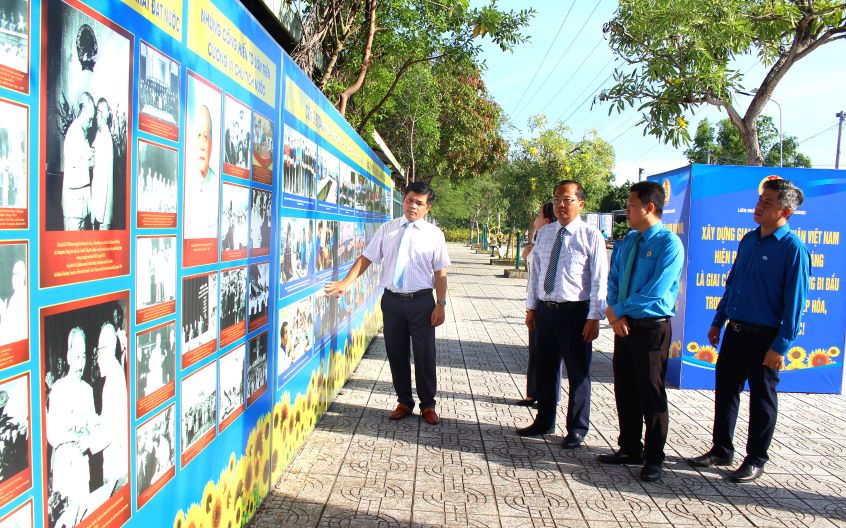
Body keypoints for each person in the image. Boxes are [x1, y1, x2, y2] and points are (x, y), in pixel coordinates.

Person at [687, 178, 810, 483]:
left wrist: (780, 345)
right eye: (760, 200)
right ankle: (721, 448)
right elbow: (733, 284)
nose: (759, 206)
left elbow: (795, 303)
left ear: (786, 212)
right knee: (726, 391)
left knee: (762, 399)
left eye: (767, 203)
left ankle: (755, 458)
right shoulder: (749, 240)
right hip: (735, 331)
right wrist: (718, 320)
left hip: (765, 337)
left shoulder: (793, 249)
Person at [325, 181, 450, 425]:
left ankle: (428, 405)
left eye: (419, 203)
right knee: (396, 353)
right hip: (392, 302)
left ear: (428, 208)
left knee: (425, 354)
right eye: (409, 200)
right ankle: (404, 401)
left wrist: (441, 304)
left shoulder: (435, 235)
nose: (412, 206)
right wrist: (345, 282)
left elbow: (440, 273)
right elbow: (367, 258)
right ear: (404, 200)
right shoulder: (387, 229)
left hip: (422, 302)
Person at [598, 180, 683, 482]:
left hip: (650, 327)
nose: (628, 211)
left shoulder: (669, 244)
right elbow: (615, 277)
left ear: (649, 207)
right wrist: (614, 310)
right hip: (624, 325)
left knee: (651, 390)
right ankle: (629, 447)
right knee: (625, 387)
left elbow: (656, 291)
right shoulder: (630, 240)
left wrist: (619, 310)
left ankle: (655, 456)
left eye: (631, 205)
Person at [520, 180, 607, 449]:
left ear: (581, 203)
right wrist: (531, 308)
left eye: (567, 199)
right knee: (545, 368)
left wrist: (594, 317)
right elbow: (535, 275)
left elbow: (599, 280)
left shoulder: (592, 236)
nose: (560, 204)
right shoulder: (544, 234)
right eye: (557, 198)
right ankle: (544, 420)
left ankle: (577, 428)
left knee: (578, 372)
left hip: (576, 313)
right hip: (547, 311)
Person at [46, 327, 96, 526]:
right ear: (68, 357)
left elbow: (94, 427)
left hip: (82, 476)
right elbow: (52, 435)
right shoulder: (58, 389)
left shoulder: (88, 390)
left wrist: (89, 435)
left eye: (83, 357)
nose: (80, 363)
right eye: (76, 356)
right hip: (64, 477)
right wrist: (77, 434)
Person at [514, 201, 555, 407]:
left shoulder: (551, 242)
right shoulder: (538, 241)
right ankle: (532, 393)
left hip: (549, 304)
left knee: (546, 355)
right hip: (536, 303)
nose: (534, 220)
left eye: (538, 215)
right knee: (535, 351)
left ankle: (545, 396)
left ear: (547, 220)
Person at [92, 322, 128, 491]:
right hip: (118, 462)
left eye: (98, 354)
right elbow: (110, 417)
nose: (97, 361)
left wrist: (87, 441)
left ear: (105, 351)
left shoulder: (113, 380)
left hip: (116, 466)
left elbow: (110, 430)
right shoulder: (116, 373)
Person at [184, 105, 219, 240]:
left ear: (212, 144)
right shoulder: (184, 182)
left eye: (206, 137)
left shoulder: (217, 186)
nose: (202, 146)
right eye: (199, 136)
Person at [61, 92, 95, 230]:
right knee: (71, 249)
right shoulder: (74, 132)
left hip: (82, 206)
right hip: (74, 206)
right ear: (84, 111)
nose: (91, 123)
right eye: (90, 119)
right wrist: (88, 165)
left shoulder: (82, 133)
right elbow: (72, 169)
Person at [90, 98, 114, 230]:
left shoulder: (105, 136)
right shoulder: (99, 135)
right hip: (98, 208)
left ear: (102, 114)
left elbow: (103, 177)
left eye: (97, 112)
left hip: (102, 213)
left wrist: (98, 215)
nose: (94, 116)